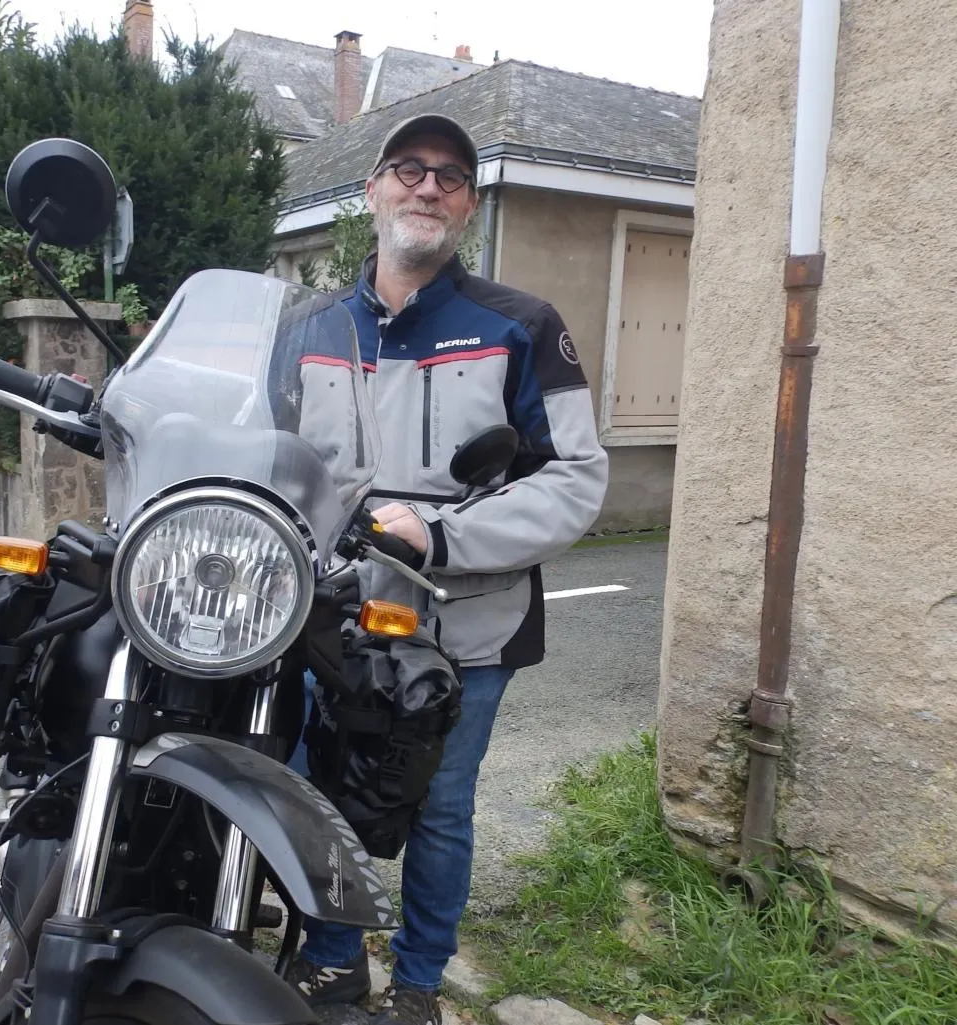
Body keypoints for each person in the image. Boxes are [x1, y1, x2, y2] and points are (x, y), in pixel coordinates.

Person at [283, 113, 609, 1025]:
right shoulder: (307, 328)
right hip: (328, 620)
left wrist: (438, 534)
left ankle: (420, 982)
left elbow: (577, 478)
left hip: (465, 623)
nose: (428, 186)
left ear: (468, 207)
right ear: (372, 192)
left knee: (439, 806)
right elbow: (261, 457)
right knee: (313, 790)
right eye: (408, 169)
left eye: (451, 176)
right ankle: (334, 961)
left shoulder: (522, 326)